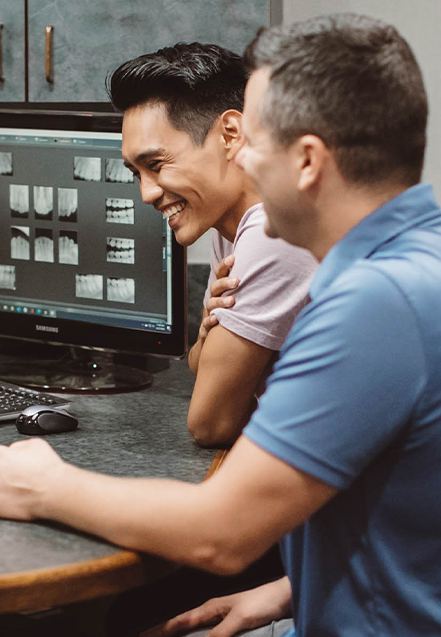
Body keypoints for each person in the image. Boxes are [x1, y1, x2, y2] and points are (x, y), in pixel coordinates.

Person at [0, 13, 441, 637]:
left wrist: (41, 484)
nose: (244, 164)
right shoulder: (418, 255)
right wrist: (292, 594)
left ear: (309, 161)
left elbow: (222, 534)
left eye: (253, 144)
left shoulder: (373, 304)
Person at [111, 43, 317, 448]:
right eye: (136, 173)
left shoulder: (274, 230)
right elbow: (198, 362)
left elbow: (209, 423)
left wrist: (213, 344)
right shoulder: (230, 224)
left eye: (156, 165)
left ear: (230, 134)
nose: (146, 193)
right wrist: (209, 338)